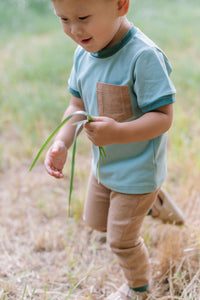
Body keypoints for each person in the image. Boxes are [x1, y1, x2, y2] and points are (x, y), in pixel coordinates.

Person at [45, 0, 185, 298]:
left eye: (82, 16)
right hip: (104, 168)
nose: (73, 29)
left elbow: (163, 117)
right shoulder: (84, 53)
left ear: (121, 5)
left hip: (137, 172)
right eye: (63, 19)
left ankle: (139, 288)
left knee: (121, 241)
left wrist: (118, 131)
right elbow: (76, 106)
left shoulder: (143, 56)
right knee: (96, 222)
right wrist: (62, 142)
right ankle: (152, 204)